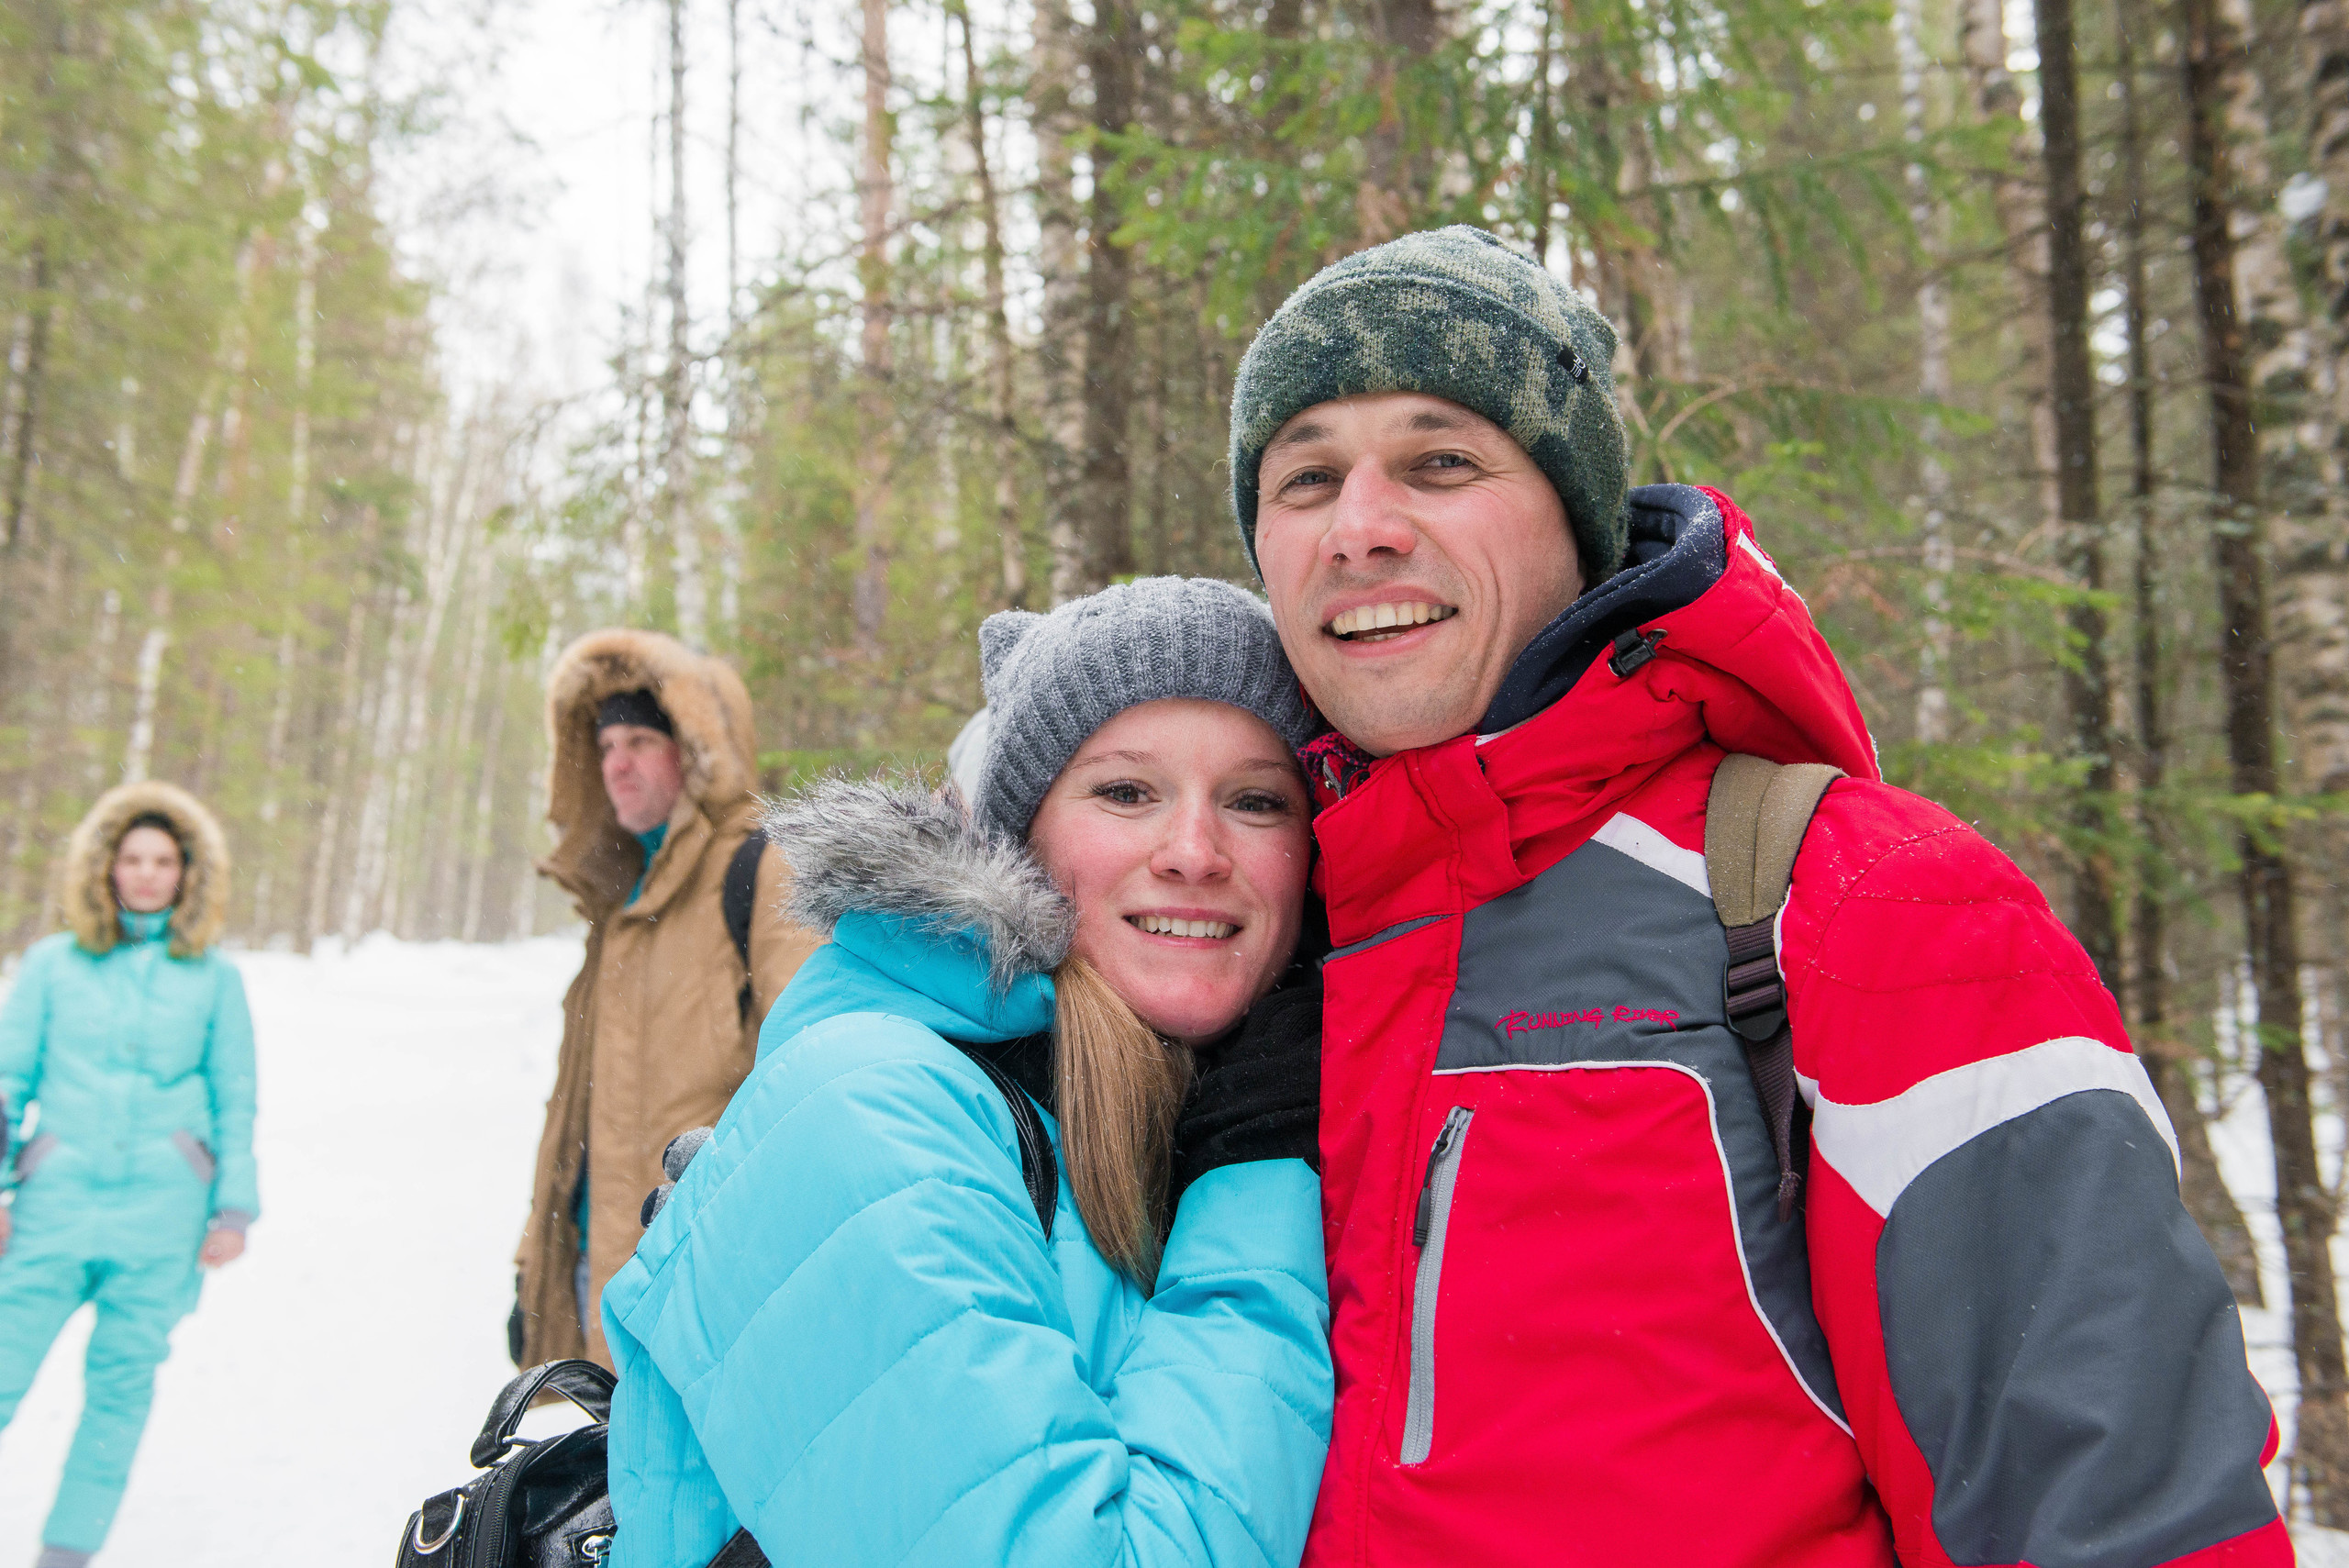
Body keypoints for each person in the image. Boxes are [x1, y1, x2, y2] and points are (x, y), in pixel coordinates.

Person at [1230, 227, 2287, 1567]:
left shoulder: (1867, 908)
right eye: (1306, 477)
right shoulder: (1245, 944)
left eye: (1442, 461)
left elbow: (2119, 1517)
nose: (1361, 527)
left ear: (1576, 517)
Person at [603, 578, 1332, 1566]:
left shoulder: (1155, 1104)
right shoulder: (876, 1118)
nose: (1195, 852)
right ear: (1013, 840)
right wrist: (1253, 1169)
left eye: (1256, 800)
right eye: (1125, 791)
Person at [514, 630, 819, 1370]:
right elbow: (574, 1119)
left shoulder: (759, 870)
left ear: (695, 748)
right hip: (602, 1274)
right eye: (605, 745)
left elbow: (814, 1078)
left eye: (640, 741)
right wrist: (536, 1267)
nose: (615, 763)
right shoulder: (618, 901)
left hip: (709, 1282)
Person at [0, 783, 256, 1568]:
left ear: (187, 874)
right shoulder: (53, 964)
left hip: (162, 1217)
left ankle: (65, 1555)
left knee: (118, 1394)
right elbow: (8, 1081)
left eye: (164, 861)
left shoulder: (212, 977)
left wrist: (233, 1208)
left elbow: (235, 1094)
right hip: (54, 1203)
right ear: (106, 866)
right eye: (133, 858)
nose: (147, 873)